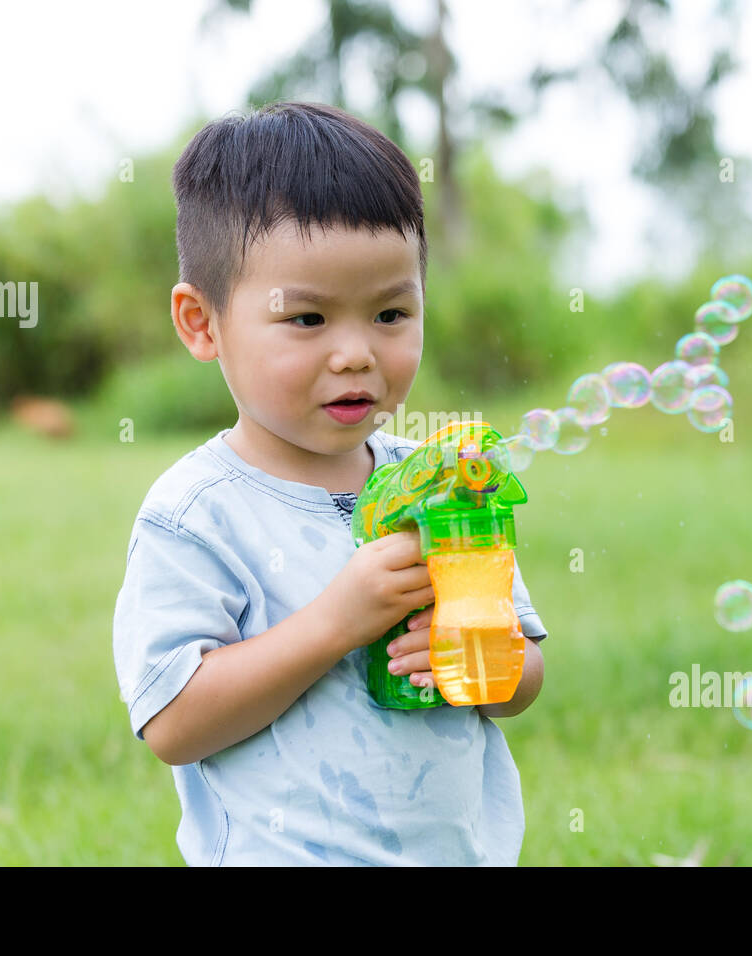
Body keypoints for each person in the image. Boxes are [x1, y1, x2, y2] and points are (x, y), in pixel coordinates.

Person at [112, 100, 549, 865]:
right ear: (201, 322)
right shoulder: (196, 515)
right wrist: (336, 621)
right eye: (308, 319)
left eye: (389, 313)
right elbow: (174, 721)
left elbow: (522, 680)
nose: (356, 354)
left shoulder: (441, 484)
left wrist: (482, 655)